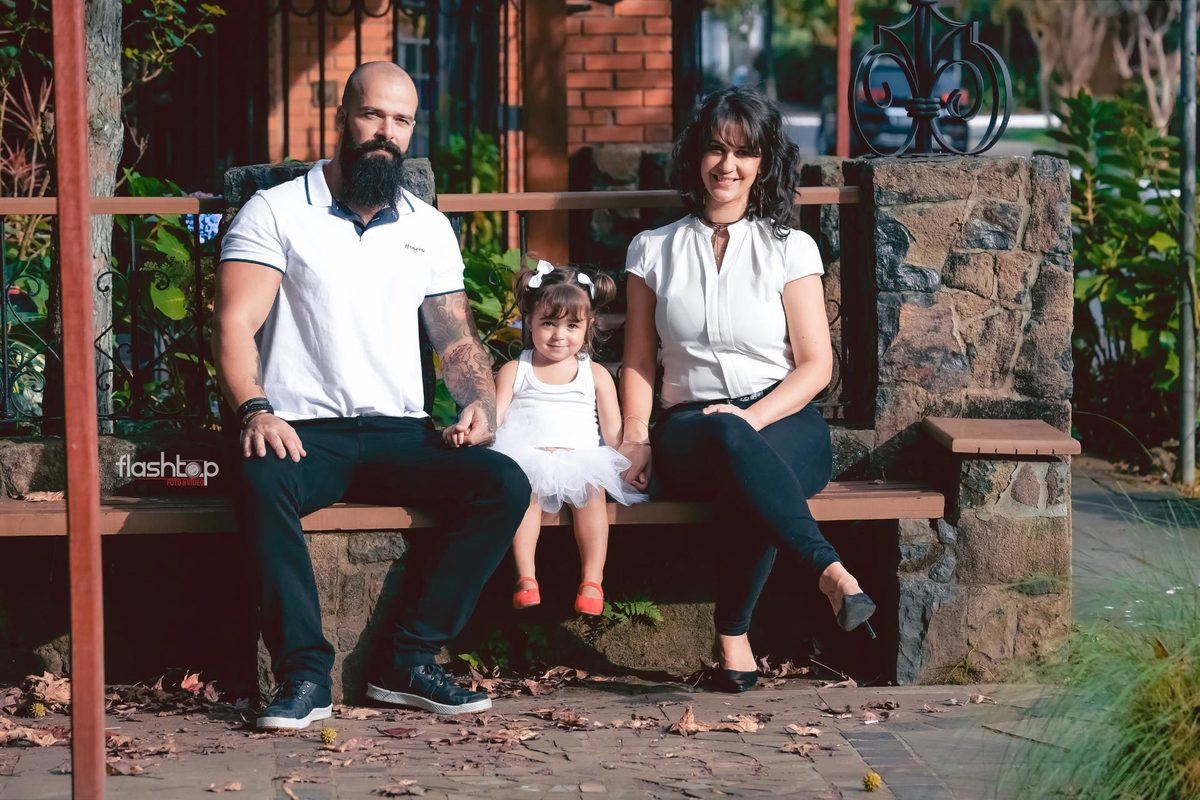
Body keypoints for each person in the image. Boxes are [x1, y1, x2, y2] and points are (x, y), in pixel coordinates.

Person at [214, 62, 530, 729]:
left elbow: (456, 340)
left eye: (401, 120)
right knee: (259, 476)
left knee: (501, 483)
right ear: (341, 117)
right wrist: (256, 408)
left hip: (399, 432)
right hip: (303, 430)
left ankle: (406, 662)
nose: (386, 132)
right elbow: (236, 324)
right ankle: (303, 674)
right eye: (372, 115)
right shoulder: (275, 211)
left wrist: (479, 404)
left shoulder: (426, 226)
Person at [619, 87, 876, 694]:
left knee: (751, 461)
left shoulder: (791, 248)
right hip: (690, 431)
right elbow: (637, 363)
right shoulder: (652, 250)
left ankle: (734, 641)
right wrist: (633, 438)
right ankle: (830, 572)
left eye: (745, 152)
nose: (727, 166)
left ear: (765, 163)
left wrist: (751, 420)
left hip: (786, 420)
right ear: (695, 156)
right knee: (734, 451)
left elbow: (816, 367)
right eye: (715, 148)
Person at [451, 260, 646, 615]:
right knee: (525, 494)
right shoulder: (516, 369)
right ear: (530, 322)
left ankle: (592, 580)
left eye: (572, 325)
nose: (559, 335)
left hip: (581, 460)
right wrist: (472, 431)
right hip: (529, 457)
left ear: (588, 327)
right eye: (548, 323)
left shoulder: (597, 375)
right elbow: (495, 417)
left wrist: (627, 462)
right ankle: (526, 576)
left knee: (592, 495)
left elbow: (613, 432)